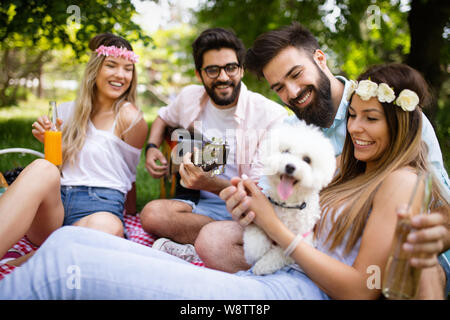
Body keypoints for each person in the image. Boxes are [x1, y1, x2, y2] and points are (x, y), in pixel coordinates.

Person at [1, 62, 448, 300]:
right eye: (352, 116)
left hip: (292, 290)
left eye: (372, 119)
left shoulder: (402, 181)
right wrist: (255, 205)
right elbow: (292, 204)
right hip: (270, 271)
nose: (355, 129)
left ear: (403, 126)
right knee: (66, 247)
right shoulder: (354, 172)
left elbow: (359, 292)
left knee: (65, 271)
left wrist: (274, 228)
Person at [193, 23, 450, 297]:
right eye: (279, 87)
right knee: (215, 239)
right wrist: (247, 204)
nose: (292, 93)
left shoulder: (390, 109)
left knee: (422, 269)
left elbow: (441, 201)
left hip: (382, 249)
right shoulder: (290, 131)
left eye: (296, 74)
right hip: (320, 236)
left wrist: (434, 237)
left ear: (319, 58)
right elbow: (273, 198)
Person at [0, 33, 148, 265]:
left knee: (108, 227)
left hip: (98, 208)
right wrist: (48, 142)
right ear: (95, 69)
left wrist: (130, 213)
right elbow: (56, 168)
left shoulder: (129, 117)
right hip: (54, 207)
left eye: (128, 68)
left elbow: (128, 174)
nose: (121, 75)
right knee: (42, 166)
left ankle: (29, 260)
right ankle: (53, 249)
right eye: (111, 65)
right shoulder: (65, 111)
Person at [140, 27, 286, 260]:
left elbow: (259, 194)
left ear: (241, 70)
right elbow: (163, 117)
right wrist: (152, 148)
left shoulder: (270, 115)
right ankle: (206, 243)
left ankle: (203, 242)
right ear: (199, 74)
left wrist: (211, 184)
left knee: (224, 237)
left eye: (230, 68)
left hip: (247, 211)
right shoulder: (189, 97)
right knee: (151, 214)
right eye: (212, 70)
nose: (223, 77)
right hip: (198, 207)